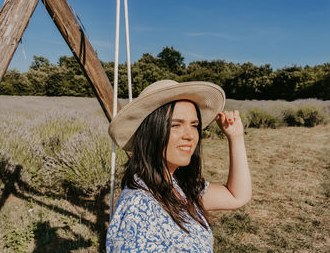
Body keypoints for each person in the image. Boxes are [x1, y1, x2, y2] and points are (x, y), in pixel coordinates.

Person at [106, 80, 251, 252]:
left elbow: (237, 196)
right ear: (151, 132)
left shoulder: (176, 186)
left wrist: (235, 137)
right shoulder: (139, 207)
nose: (190, 135)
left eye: (194, 125)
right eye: (176, 125)